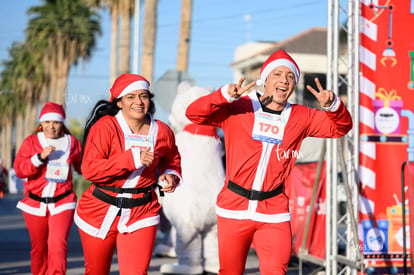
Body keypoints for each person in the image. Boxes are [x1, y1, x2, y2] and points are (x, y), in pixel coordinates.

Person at [185, 48, 353, 275]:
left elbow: (341, 127)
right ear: (265, 80)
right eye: (277, 74)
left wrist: (333, 106)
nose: (284, 80)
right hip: (234, 207)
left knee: (276, 271)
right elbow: (194, 114)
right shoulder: (238, 107)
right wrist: (223, 95)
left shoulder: (301, 116)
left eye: (290, 76)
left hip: (273, 211)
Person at [74, 73, 182, 275]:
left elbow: (172, 157)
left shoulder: (162, 131)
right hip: (99, 209)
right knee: (96, 271)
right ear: (119, 102)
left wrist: (171, 174)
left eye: (143, 96)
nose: (138, 102)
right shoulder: (105, 127)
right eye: (131, 97)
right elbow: (89, 169)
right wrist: (132, 159)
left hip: (142, 211)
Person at [158, 81, 225, 274]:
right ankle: (214, 261)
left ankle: (190, 262)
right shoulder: (216, 140)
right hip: (217, 201)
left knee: (186, 228)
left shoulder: (180, 139)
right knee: (214, 234)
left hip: (188, 202)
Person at [14, 101, 82, 275]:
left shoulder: (72, 143)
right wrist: (39, 157)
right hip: (34, 204)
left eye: (56, 122)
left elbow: (82, 167)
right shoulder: (31, 142)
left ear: (62, 124)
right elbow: (20, 170)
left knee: (57, 244)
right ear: (41, 123)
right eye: (47, 122)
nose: (51, 126)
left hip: (63, 201)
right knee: (39, 248)